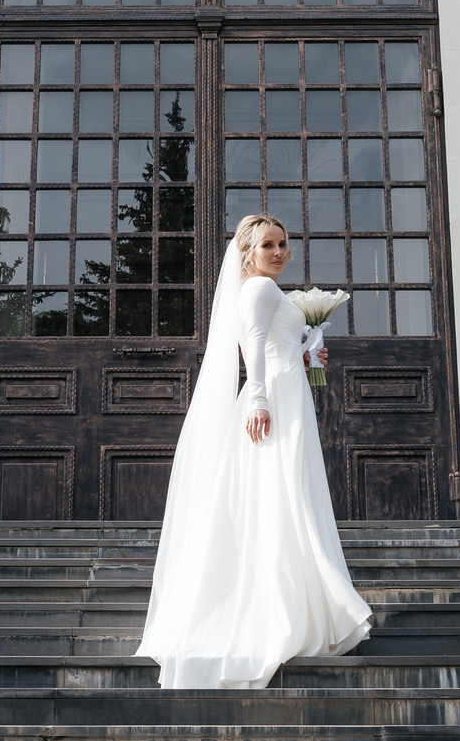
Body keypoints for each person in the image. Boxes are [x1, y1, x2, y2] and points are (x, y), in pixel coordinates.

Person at [137, 213, 372, 689]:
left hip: (287, 387)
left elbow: (275, 345)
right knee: (286, 490)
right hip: (277, 397)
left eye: (283, 243)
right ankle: (288, 606)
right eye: (268, 245)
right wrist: (260, 399)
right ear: (248, 251)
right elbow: (255, 346)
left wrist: (305, 354)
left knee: (285, 489)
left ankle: (300, 599)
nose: (279, 252)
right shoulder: (260, 289)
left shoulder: (266, 290)